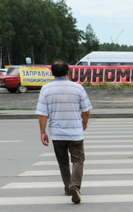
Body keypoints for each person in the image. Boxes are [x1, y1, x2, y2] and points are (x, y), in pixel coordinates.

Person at [36, 60, 92, 204]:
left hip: (57, 133)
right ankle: (75, 184)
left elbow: (42, 114)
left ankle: (68, 188)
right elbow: (86, 110)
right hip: (75, 133)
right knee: (78, 160)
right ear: (68, 72)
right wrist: (84, 122)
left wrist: (43, 132)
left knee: (63, 163)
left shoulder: (46, 89)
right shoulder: (78, 88)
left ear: (52, 73)